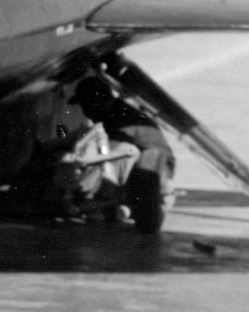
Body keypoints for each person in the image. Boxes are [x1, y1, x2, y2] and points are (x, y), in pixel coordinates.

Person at [69, 74, 175, 232]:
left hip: (152, 163)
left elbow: (112, 155)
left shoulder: (118, 119)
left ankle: (136, 203)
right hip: (155, 164)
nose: (84, 112)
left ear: (95, 103)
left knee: (147, 221)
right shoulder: (116, 113)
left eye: (85, 105)